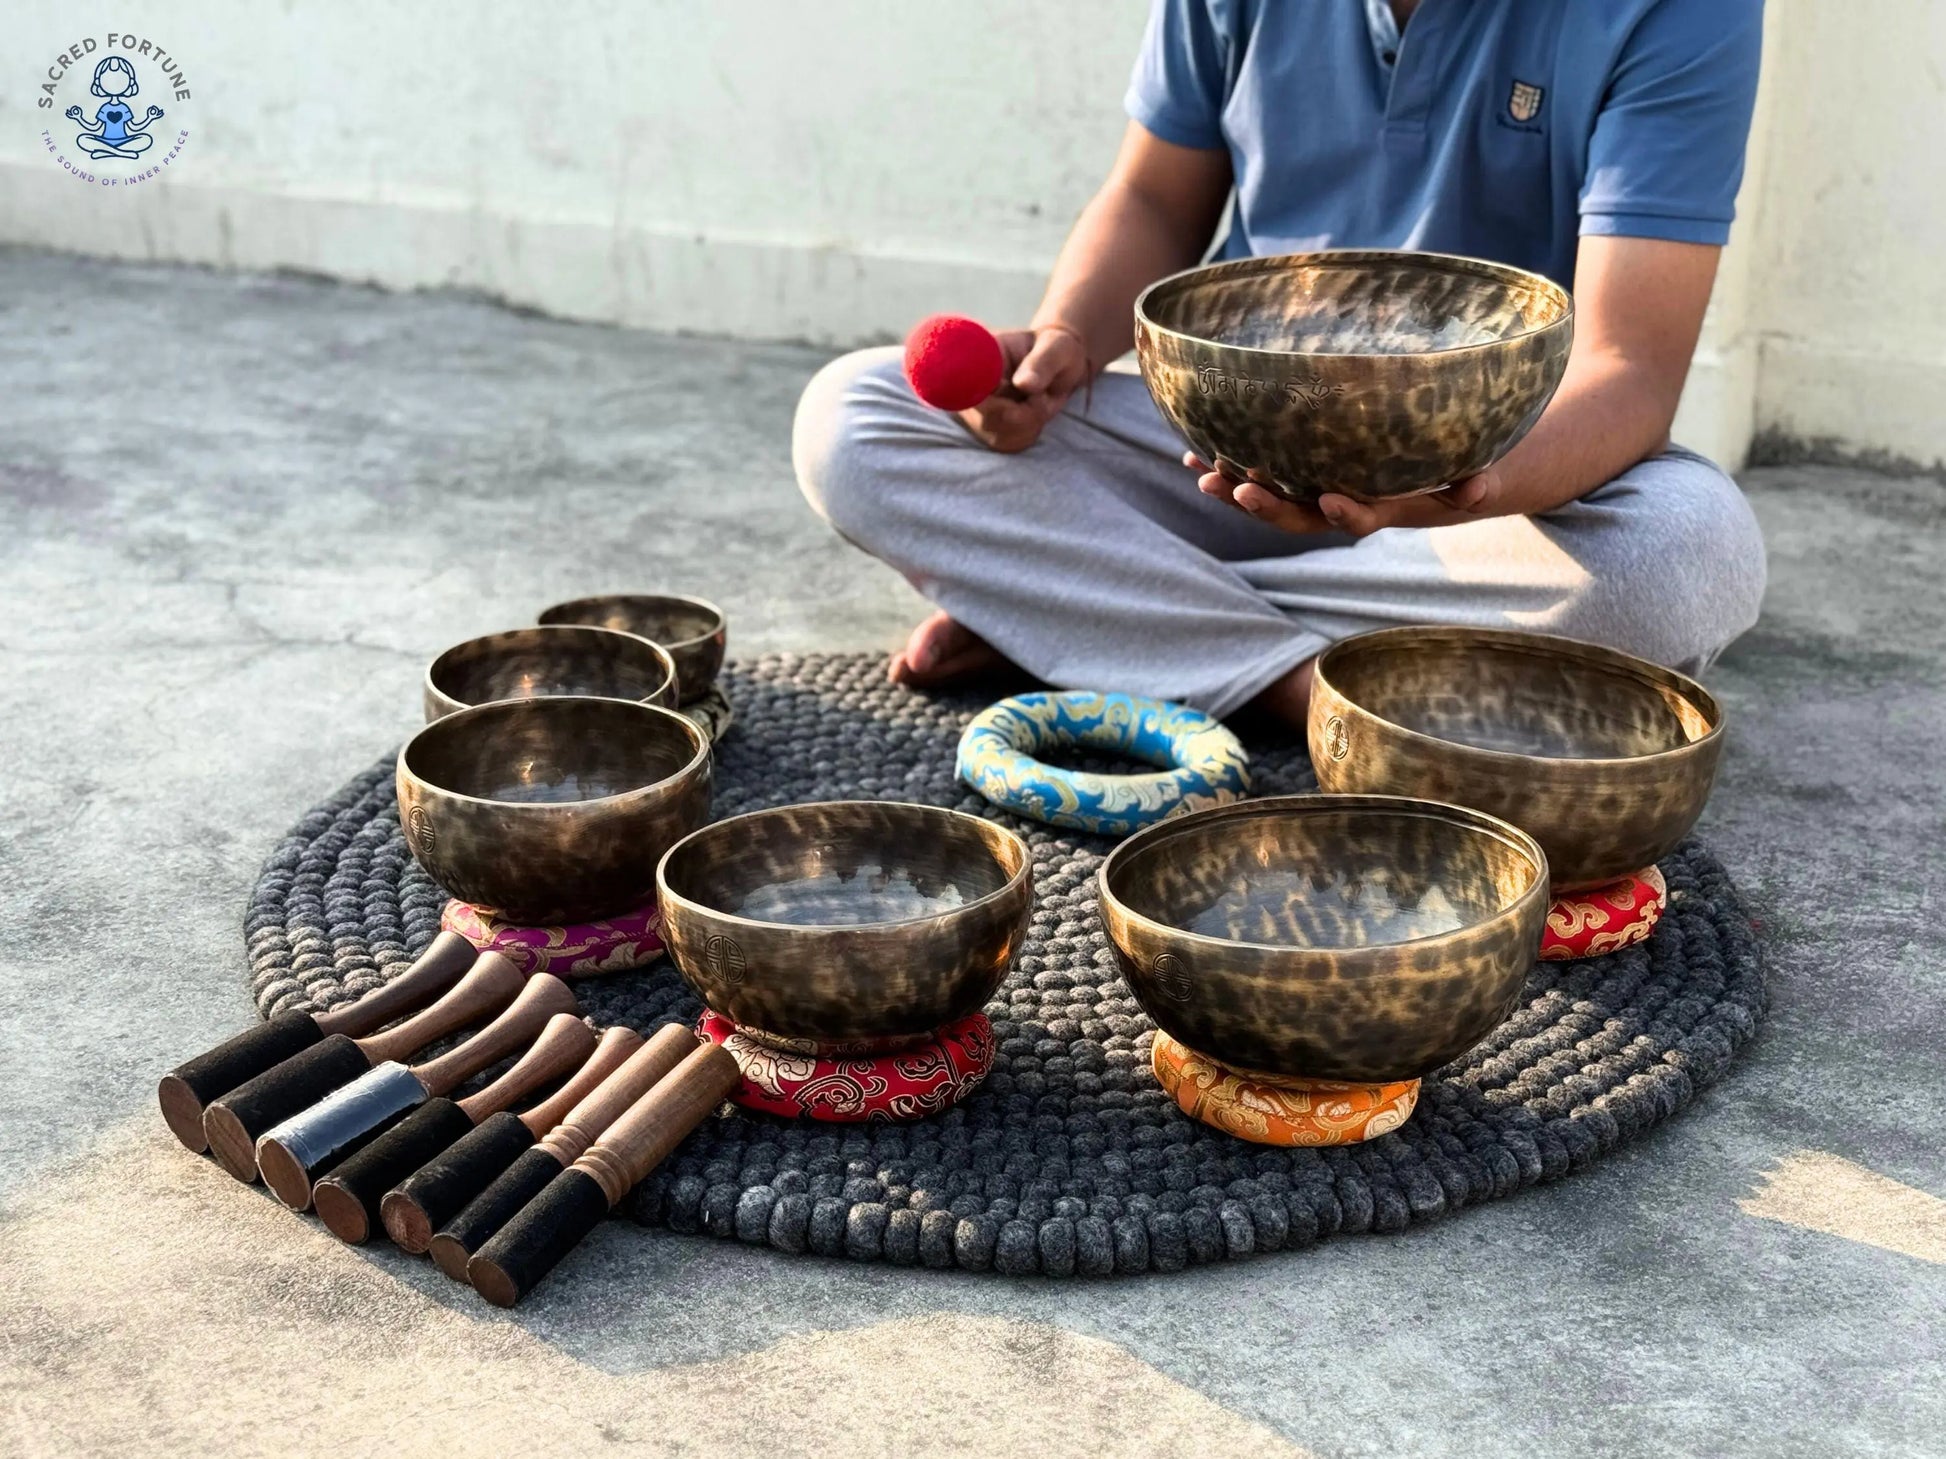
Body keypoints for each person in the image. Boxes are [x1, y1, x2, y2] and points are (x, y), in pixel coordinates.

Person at [793, 0, 1768, 726]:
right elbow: (1152, 199)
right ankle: (1305, 692)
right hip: (1222, 449)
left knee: (1681, 556)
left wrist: (1442, 494)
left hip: (1481, 490)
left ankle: (1094, 626)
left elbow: (1626, 365)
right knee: (854, 419)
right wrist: (1060, 344)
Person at [67, 56, 164, 161]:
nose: (114, 84)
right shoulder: (105, 108)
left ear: (129, 82)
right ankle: (123, 153)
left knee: (146, 139)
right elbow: (95, 128)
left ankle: (105, 152)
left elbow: (133, 128)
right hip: (104, 141)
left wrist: (150, 118)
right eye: (107, 79)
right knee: (82, 139)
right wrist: (79, 118)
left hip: (124, 141)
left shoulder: (124, 108)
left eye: (121, 80)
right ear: (99, 82)